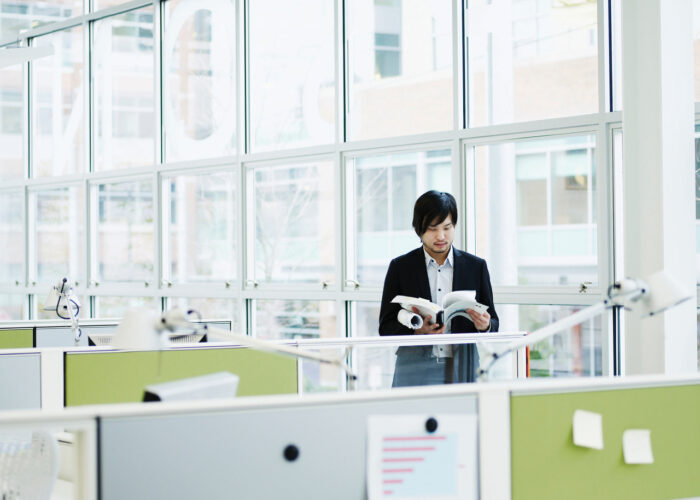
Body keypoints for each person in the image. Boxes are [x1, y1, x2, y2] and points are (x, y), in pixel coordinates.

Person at [378, 190, 498, 386]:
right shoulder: (401, 267)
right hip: (414, 367)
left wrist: (484, 325)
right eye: (432, 229)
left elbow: (493, 322)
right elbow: (385, 327)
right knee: (408, 417)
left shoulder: (476, 267)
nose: (441, 236)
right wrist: (417, 331)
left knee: (464, 417)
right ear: (420, 229)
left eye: (447, 227)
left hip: (462, 368)